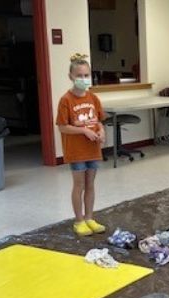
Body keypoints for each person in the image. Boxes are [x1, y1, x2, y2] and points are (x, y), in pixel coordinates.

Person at [56, 53, 107, 236]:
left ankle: (89, 217)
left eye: (86, 75)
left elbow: (99, 120)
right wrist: (84, 131)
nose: (84, 79)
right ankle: (79, 220)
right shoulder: (66, 100)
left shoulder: (93, 98)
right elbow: (62, 127)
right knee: (79, 185)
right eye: (80, 76)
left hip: (93, 150)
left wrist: (101, 131)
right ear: (71, 77)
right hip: (76, 151)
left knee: (90, 184)